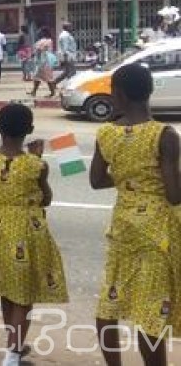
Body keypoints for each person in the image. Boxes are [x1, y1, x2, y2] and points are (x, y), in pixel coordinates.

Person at [89, 63, 181, 366]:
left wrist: (130, 177)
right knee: (151, 309)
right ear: (150, 91)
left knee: (110, 300)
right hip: (156, 231)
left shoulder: (106, 134)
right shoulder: (165, 135)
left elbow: (97, 181)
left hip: (123, 227)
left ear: (118, 95)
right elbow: (173, 194)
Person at [0, 104, 67, 366]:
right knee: (24, 295)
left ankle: (13, 346)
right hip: (28, 232)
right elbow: (46, 199)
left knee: (8, 290)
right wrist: (37, 159)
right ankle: (13, 355)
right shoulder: (36, 165)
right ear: (30, 130)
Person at [30, 27, 58, 98]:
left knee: (46, 77)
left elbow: (39, 50)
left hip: (43, 61)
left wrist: (34, 56)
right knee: (39, 77)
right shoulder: (49, 40)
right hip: (47, 61)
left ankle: (52, 92)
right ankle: (34, 91)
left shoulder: (43, 41)